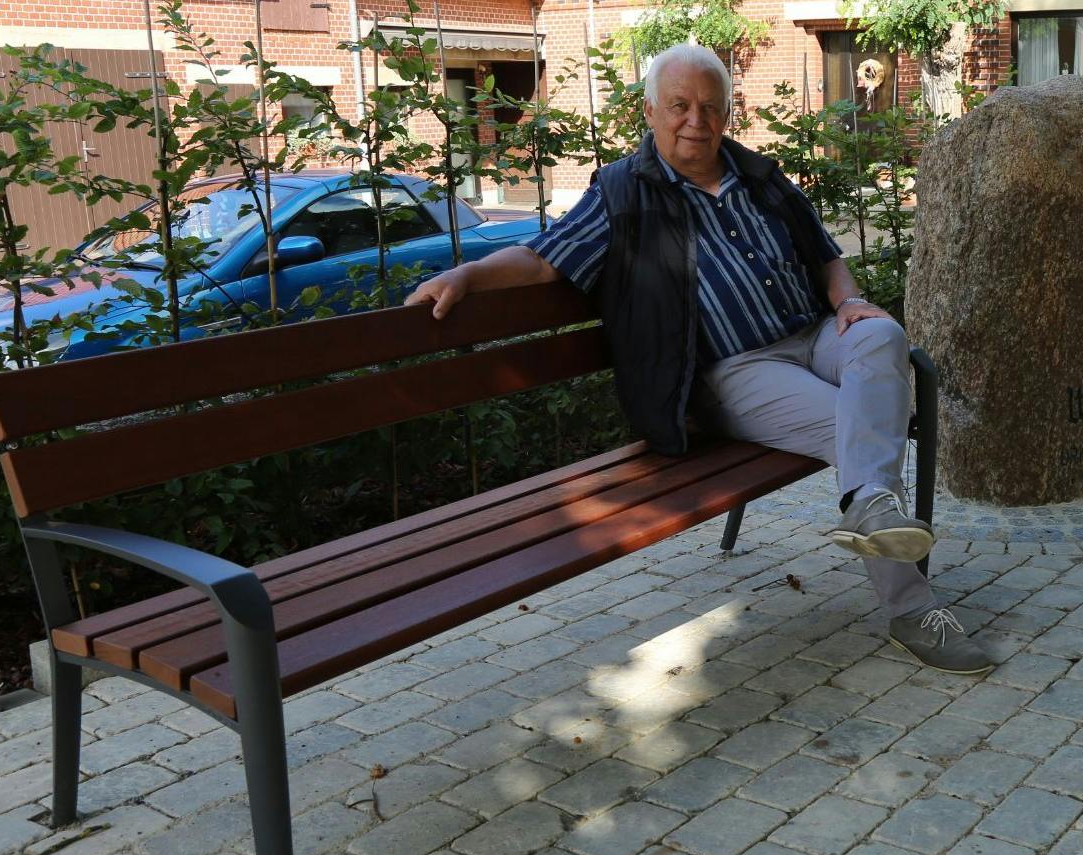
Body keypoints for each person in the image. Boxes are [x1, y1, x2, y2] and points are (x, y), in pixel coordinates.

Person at [405, 43, 994, 675]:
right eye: (680, 106)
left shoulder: (759, 177)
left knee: (880, 336)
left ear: (728, 114)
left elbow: (826, 255)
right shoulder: (625, 194)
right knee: (861, 427)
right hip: (738, 371)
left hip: (814, 334)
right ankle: (912, 609)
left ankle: (869, 503)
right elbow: (546, 257)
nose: (696, 121)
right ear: (651, 111)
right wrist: (468, 273)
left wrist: (847, 301)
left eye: (710, 107)